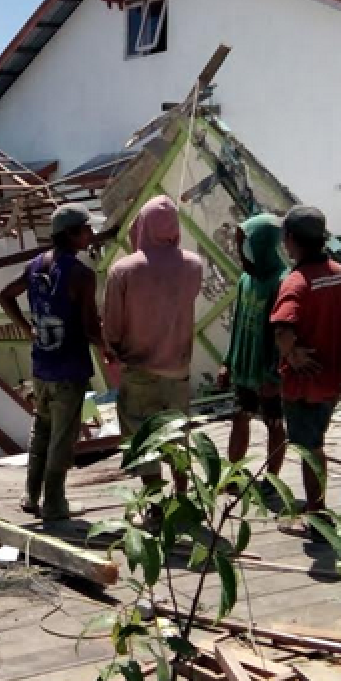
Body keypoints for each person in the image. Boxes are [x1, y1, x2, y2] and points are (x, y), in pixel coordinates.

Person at [0, 203, 104, 522]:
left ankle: (31, 496)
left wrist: (27, 328)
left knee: (41, 430)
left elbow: (4, 295)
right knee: (63, 437)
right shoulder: (81, 275)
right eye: (86, 230)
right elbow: (89, 327)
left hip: (41, 366)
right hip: (69, 368)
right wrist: (112, 348)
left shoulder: (35, 265)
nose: (91, 234)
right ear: (71, 234)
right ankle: (55, 503)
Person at [104, 195, 204, 526]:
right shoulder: (193, 265)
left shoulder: (123, 270)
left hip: (140, 370)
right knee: (177, 437)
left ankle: (155, 508)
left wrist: (114, 352)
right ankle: (183, 501)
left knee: (142, 437)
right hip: (178, 369)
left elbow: (112, 327)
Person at [269, 206, 341, 526]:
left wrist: (290, 354)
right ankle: (316, 507)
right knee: (315, 441)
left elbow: (282, 328)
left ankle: (317, 513)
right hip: (334, 376)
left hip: (305, 382)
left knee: (309, 447)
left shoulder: (296, 282)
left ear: (290, 240)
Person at [217, 214, 288, 493]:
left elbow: (284, 335)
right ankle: (233, 475)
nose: (240, 253)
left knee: (273, 423)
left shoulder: (281, 282)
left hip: (268, 368)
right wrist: (227, 362)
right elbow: (237, 325)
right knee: (239, 416)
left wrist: (274, 375)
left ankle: (272, 480)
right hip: (244, 365)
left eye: (245, 245)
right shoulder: (246, 279)